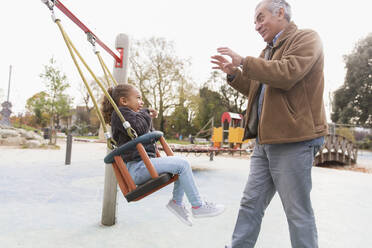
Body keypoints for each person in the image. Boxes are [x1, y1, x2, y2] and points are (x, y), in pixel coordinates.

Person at [211, 0, 327, 247]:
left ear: (281, 13)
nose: (256, 26)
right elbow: (257, 89)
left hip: (293, 140)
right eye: (255, 21)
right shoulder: (267, 52)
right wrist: (234, 74)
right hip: (265, 142)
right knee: (250, 203)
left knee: (297, 212)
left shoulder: (307, 38)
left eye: (260, 18)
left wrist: (244, 61)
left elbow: (286, 74)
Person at [101, 83, 225, 226]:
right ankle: (197, 206)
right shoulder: (120, 114)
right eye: (138, 98)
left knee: (180, 166)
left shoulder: (128, 115)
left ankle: (177, 203)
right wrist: (146, 112)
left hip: (143, 166)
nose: (142, 102)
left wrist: (146, 116)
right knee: (182, 164)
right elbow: (139, 127)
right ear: (124, 101)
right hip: (137, 168)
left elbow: (143, 131)